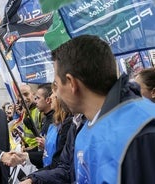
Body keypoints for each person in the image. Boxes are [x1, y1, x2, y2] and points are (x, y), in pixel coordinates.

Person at [51, 35, 155, 183]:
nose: (57, 94)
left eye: (56, 84)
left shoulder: (142, 132)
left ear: (71, 83)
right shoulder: (84, 131)